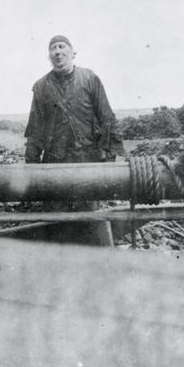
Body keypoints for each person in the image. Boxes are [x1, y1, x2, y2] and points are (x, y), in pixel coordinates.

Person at [24, 35, 125, 245]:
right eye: (53, 49)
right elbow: (35, 128)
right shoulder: (41, 86)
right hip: (55, 164)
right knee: (55, 220)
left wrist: (109, 156)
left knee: (90, 215)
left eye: (62, 47)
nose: (58, 52)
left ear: (73, 53)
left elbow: (107, 117)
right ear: (49, 56)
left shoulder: (89, 78)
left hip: (87, 161)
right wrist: (32, 165)